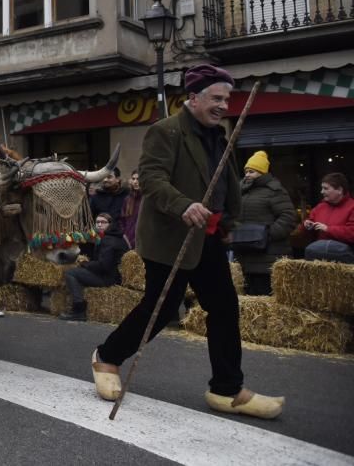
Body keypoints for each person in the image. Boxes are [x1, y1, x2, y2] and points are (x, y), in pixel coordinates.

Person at [90, 64, 284, 420]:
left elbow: (225, 182)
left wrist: (229, 220)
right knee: (161, 309)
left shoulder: (220, 135)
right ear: (193, 98)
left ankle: (226, 389)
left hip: (208, 237)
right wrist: (184, 205)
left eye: (227, 98)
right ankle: (106, 358)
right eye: (216, 98)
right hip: (171, 238)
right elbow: (151, 178)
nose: (224, 105)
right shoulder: (166, 131)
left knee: (224, 307)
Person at [235, 151, 296, 293]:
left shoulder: (275, 191)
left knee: (265, 294)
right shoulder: (240, 192)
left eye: (252, 171)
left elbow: (288, 217)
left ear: (262, 172)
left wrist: (267, 235)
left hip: (269, 256)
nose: (248, 174)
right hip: (245, 255)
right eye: (246, 171)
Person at [60, 213, 128, 321]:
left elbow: (104, 266)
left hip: (108, 278)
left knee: (71, 273)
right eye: (97, 222)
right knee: (79, 272)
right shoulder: (114, 237)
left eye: (103, 222)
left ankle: (79, 310)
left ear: (110, 224)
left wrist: (85, 264)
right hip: (112, 276)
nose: (100, 225)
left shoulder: (108, 240)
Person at [303, 172, 354, 263]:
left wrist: (328, 229)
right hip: (318, 257)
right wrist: (307, 225)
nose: (322, 192)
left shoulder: (352, 207)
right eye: (322, 188)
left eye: (326, 188)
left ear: (339, 190)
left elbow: (352, 232)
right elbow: (305, 228)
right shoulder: (320, 207)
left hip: (344, 261)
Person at [121, 169, 142, 250]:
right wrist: (124, 235)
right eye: (133, 179)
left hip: (143, 243)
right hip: (128, 241)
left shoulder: (147, 199)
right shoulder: (127, 199)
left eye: (138, 179)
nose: (135, 182)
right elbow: (122, 220)